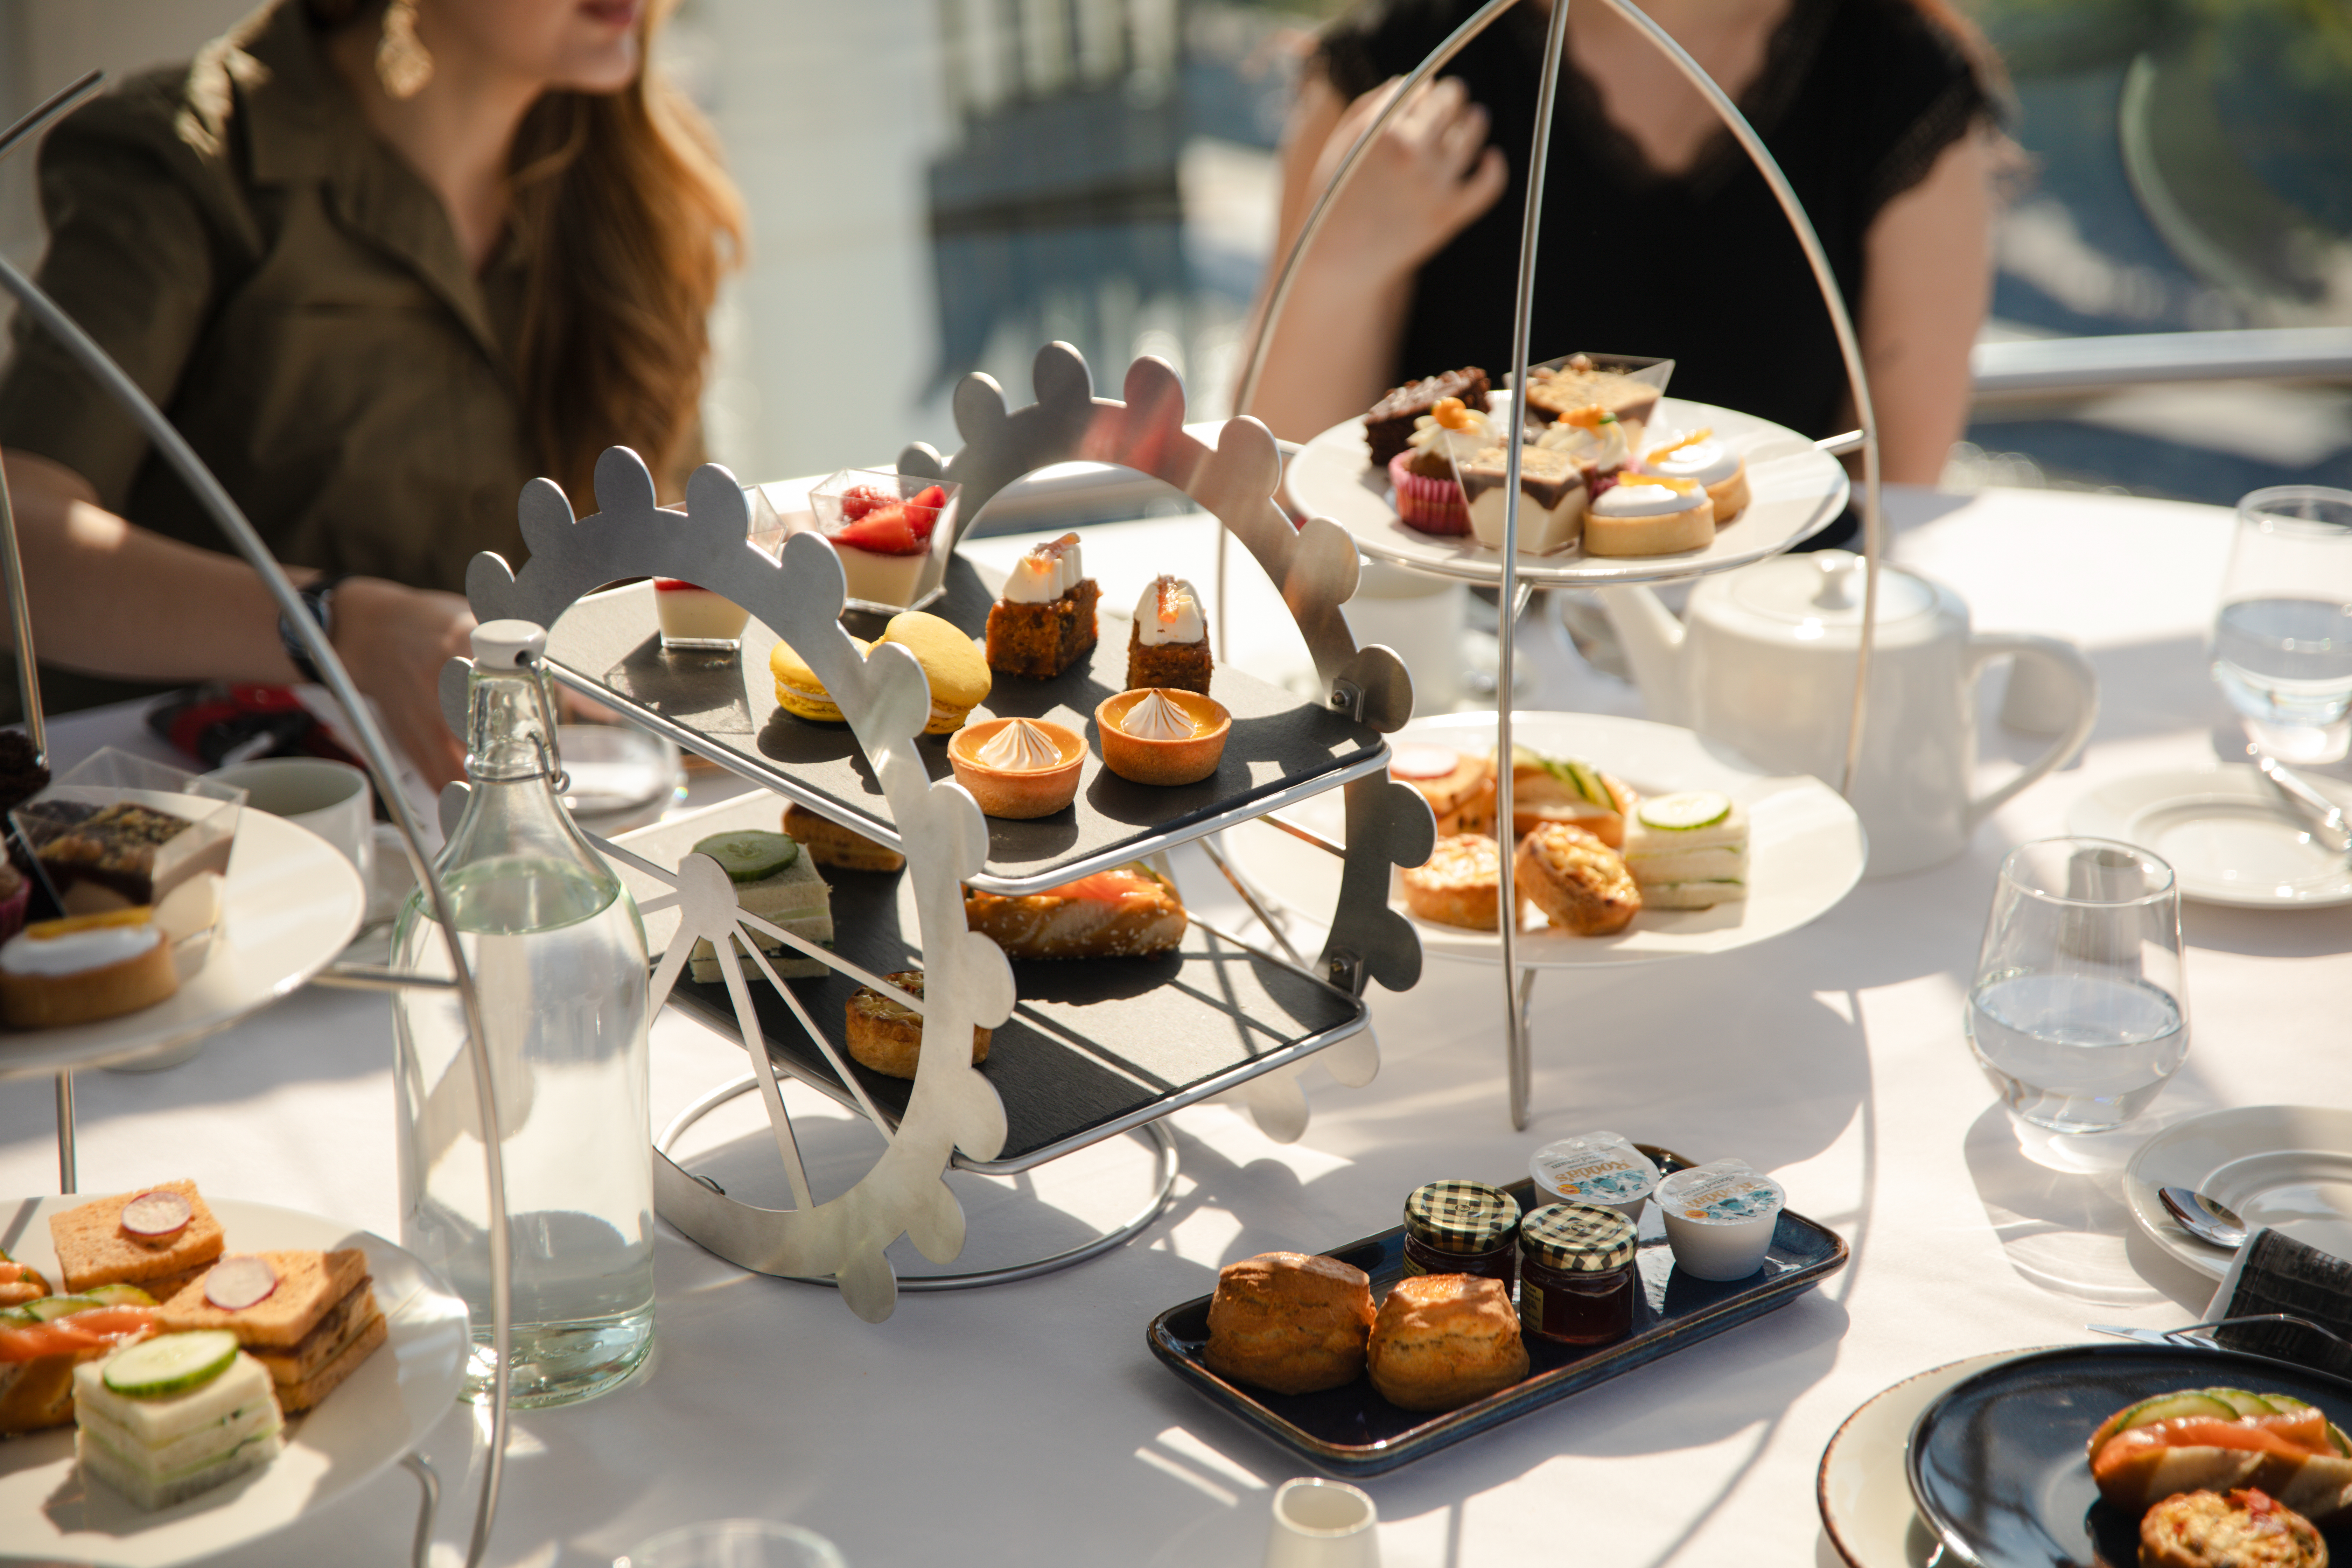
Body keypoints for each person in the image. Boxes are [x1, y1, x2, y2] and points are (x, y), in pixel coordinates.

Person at [0, 0, 743, 786]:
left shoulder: (645, 193)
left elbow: (662, 553)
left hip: (525, 848)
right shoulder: (187, 160)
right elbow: (18, 543)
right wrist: (333, 625)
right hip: (208, 851)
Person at [1244, 0, 2003, 493]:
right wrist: (1343, 257)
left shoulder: (1897, 84)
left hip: (1753, 684)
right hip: (1446, 687)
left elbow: (1894, 489)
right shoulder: (1411, 60)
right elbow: (1277, 476)